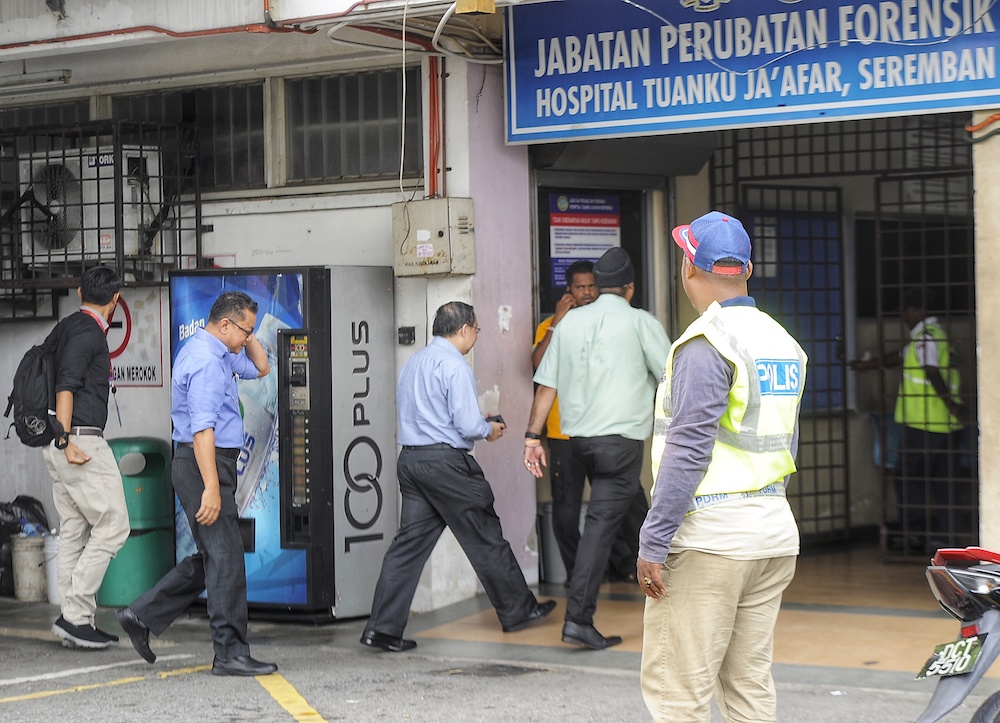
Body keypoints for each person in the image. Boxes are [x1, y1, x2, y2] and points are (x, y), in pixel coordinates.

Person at [637, 211, 807, 723]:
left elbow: (688, 450)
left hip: (711, 541)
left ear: (689, 269)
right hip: (772, 535)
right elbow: (786, 443)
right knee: (749, 688)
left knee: (678, 694)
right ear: (747, 269)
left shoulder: (707, 342)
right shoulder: (782, 341)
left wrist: (653, 540)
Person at [361, 301, 556, 653]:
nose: (476, 337)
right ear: (465, 329)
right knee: (485, 537)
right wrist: (489, 429)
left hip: (412, 462)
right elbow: (467, 425)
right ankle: (518, 611)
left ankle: (382, 628)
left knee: (406, 548)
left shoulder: (413, 363)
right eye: (477, 331)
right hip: (447, 465)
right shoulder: (455, 366)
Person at [116, 291, 277, 676]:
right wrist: (210, 486)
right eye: (244, 330)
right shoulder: (206, 361)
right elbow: (202, 430)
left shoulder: (220, 351)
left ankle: (142, 614)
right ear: (224, 325)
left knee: (214, 555)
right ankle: (229, 653)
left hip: (208, 463)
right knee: (225, 558)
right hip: (202, 464)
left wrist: (248, 334)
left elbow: (262, 367)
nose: (247, 337)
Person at [525, 247, 669, 650]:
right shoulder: (640, 322)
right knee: (602, 530)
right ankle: (579, 620)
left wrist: (531, 437)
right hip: (620, 444)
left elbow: (547, 383)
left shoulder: (567, 324)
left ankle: (593, 612)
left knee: (616, 522)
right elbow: (672, 377)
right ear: (630, 287)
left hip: (578, 442)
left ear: (599, 286)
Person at [531, 260, 647, 584]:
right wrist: (557, 320)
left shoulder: (615, 323)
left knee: (627, 505)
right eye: (579, 287)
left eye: (591, 286)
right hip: (564, 436)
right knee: (567, 514)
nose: (586, 292)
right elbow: (538, 365)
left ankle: (631, 566)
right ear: (569, 291)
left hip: (608, 431)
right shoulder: (553, 326)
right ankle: (576, 576)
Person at [43, 266, 130, 650]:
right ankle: (75, 613)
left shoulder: (66, 327)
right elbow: (66, 384)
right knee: (114, 526)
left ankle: (75, 622)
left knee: (75, 528)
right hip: (78, 442)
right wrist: (64, 440)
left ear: (79, 291)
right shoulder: (89, 332)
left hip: (61, 440)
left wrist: (58, 439)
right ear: (114, 301)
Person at [849, 287, 968, 550]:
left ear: (920, 311)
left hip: (924, 425)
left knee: (908, 479)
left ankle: (913, 535)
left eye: (906, 310)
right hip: (945, 426)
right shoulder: (932, 337)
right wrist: (867, 365)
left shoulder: (925, 339)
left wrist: (952, 406)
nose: (903, 316)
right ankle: (947, 540)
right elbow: (900, 357)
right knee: (944, 484)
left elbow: (931, 372)